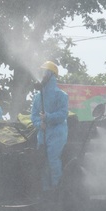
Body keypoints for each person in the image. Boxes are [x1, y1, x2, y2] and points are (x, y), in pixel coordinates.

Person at [31, 61, 69, 190]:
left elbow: (63, 114)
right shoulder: (37, 97)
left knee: (53, 160)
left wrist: (48, 117)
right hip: (43, 133)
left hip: (57, 133)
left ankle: (56, 188)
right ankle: (45, 191)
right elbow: (34, 116)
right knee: (43, 162)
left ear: (52, 75)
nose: (42, 75)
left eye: (45, 72)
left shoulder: (61, 95)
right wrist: (38, 124)